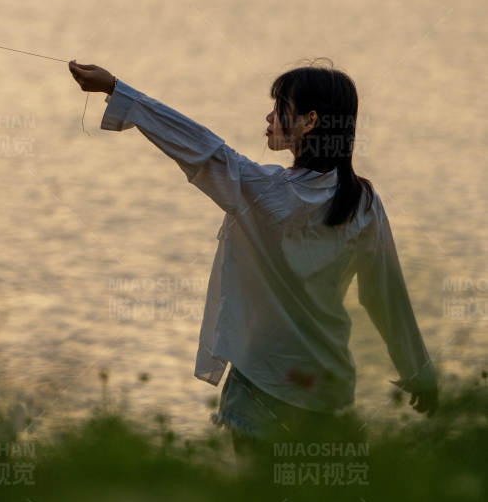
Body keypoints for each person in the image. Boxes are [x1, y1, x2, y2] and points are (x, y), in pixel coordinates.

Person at [68, 58, 439, 457]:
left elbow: (201, 149)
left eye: (280, 107)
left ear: (309, 121)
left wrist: (117, 90)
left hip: (262, 384)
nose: (269, 116)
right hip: (328, 388)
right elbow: (386, 295)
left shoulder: (264, 192)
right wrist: (418, 371)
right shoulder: (363, 203)